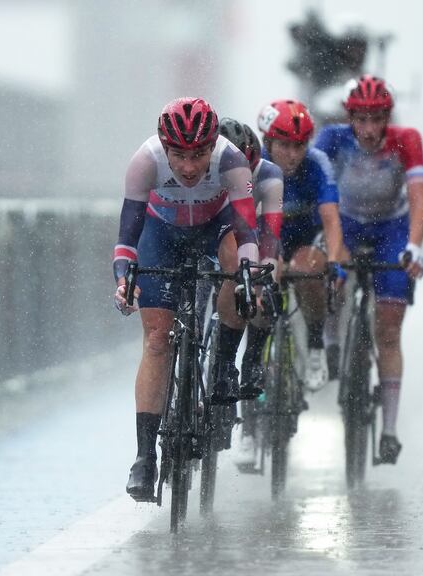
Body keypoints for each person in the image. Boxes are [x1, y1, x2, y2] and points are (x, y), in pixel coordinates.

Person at [112, 97, 259, 501]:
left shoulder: (233, 163)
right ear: (163, 146)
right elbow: (127, 238)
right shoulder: (145, 162)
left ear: (213, 146)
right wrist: (124, 278)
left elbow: (247, 232)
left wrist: (247, 275)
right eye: (178, 155)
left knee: (237, 267)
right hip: (161, 234)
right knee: (158, 339)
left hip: (216, 230)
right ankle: (144, 459)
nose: (190, 167)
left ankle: (225, 363)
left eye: (198, 154)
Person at [314, 75, 423, 464]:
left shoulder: (406, 140)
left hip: (391, 229)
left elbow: (418, 199)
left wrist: (414, 245)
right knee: (333, 278)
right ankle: (331, 344)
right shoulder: (332, 139)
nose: (367, 129)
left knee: (389, 328)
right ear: (349, 118)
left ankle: (390, 431)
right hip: (345, 222)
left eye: (376, 119)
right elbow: (318, 190)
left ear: (387, 118)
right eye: (360, 120)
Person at [253, 99, 346, 393]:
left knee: (308, 269)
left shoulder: (317, 163)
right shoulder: (254, 165)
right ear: (267, 141)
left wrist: (333, 262)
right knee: (261, 282)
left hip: (305, 239)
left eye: (300, 145)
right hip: (267, 237)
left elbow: (331, 219)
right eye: (285, 146)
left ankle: (316, 346)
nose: (293, 155)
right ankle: (254, 359)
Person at [215, 118, 284, 400]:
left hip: (246, 234)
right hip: (213, 233)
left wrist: (265, 279)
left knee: (263, 287)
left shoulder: (268, 173)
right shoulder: (202, 167)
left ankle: (252, 358)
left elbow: (270, 235)